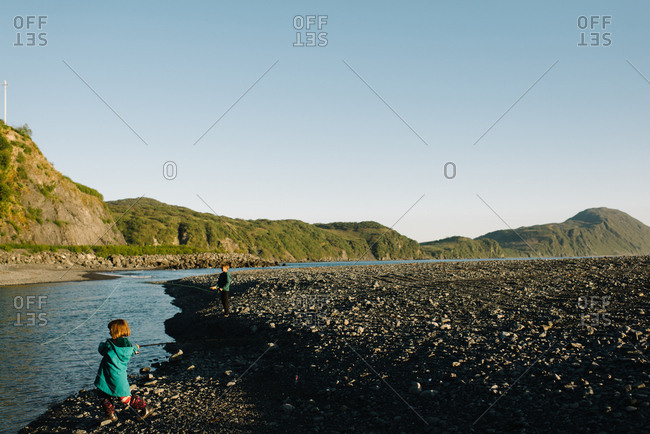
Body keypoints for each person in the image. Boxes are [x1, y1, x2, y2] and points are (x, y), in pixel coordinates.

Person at [94, 319, 151, 422]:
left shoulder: (109, 344)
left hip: (110, 375)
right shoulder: (128, 345)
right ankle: (110, 415)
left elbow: (101, 350)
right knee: (104, 393)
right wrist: (135, 349)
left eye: (110, 330)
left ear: (115, 331)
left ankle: (145, 408)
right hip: (118, 375)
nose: (109, 332)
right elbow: (129, 352)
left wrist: (101, 344)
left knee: (124, 398)